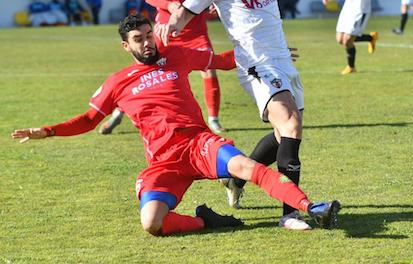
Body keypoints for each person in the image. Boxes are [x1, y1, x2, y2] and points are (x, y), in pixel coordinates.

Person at [11, 15, 340, 236]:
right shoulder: (117, 82)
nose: (147, 43)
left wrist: (268, 57)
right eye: (138, 40)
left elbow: (222, 61)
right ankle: (205, 221)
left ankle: (309, 207)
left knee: (244, 165)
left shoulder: (177, 55)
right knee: (151, 223)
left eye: (149, 36)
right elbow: (87, 120)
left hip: (199, 143)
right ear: (126, 46)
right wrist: (48, 130)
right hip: (164, 161)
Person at [156, 0, 361, 230]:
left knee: (284, 138)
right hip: (255, 64)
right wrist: (168, 29)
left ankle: (236, 178)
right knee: (291, 125)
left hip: (282, 60)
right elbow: (186, 11)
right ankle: (290, 214)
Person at [99, 0, 226, 135]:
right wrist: (169, 5)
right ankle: (118, 113)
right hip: (166, 31)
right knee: (146, 73)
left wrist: (212, 5)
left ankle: (213, 119)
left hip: (196, 33)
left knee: (210, 69)